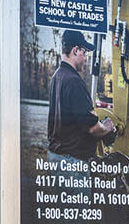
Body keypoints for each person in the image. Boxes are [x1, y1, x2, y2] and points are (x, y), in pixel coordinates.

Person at [47, 30, 117, 162]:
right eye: (84, 53)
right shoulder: (74, 81)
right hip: (72, 162)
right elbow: (93, 128)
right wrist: (107, 128)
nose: (85, 59)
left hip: (55, 157)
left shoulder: (56, 76)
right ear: (75, 50)